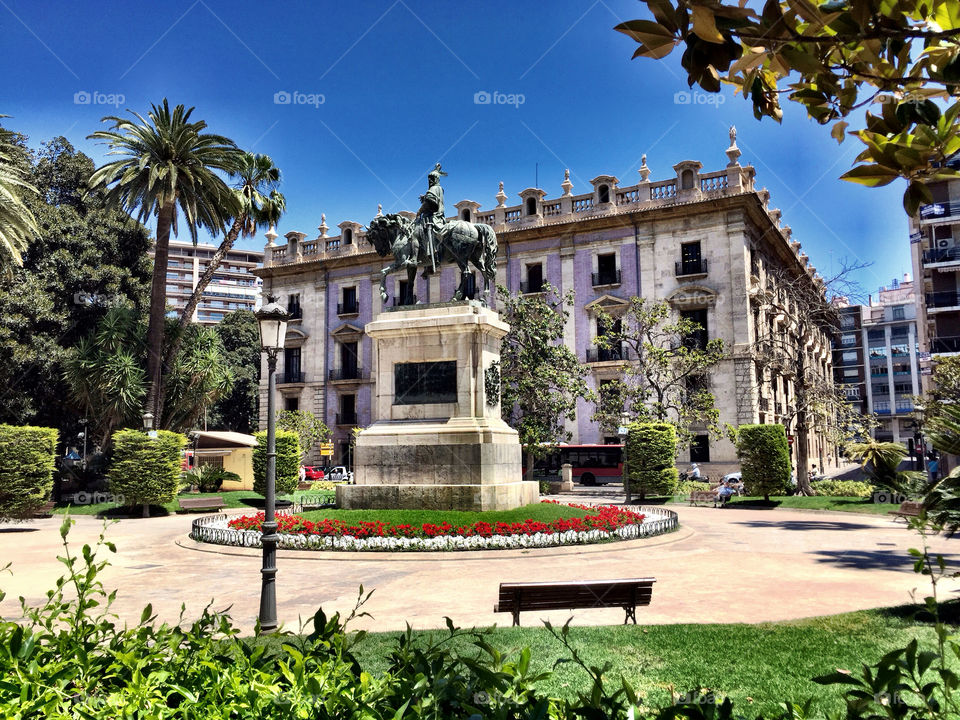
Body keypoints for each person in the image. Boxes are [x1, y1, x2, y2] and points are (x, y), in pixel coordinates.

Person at [413, 163, 447, 275]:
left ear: (435, 179)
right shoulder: (439, 189)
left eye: (431, 178)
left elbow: (430, 203)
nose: (430, 181)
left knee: (422, 234)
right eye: (429, 179)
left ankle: (431, 258)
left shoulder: (434, 188)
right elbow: (433, 200)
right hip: (437, 216)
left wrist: (419, 211)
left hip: (433, 217)